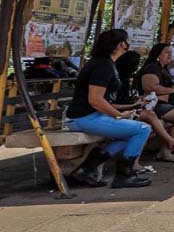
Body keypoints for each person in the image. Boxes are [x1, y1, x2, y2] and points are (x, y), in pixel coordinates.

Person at [63, 29, 152, 188]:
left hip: (90, 116)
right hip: (84, 117)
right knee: (143, 129)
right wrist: (118, 116)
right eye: (126, 41)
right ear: (120, 44)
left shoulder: (105, 63)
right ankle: (125, 175)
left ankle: (87, 169)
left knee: (128, 135)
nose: (128, 45)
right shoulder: (102, 66)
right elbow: (95, 99)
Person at [115, 50, 174, 173]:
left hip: (130, 109)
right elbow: (110, 103)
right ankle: (170, 141)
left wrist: (137, 102)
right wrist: (131, 106)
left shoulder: (127, 79)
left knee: (151, 120)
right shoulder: (118, 80)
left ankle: (168, 143)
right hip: (118, 112)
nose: (137, 68)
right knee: (145, 125)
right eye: (136, 65)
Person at [137, 43, 174, 162]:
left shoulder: (163, 68)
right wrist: (173, 90)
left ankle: (172, 146)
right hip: (152, 104)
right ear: (158, 55)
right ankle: (166, 150)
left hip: (165, 102)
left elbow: (172, 91)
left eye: (171, 53)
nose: (170, 55)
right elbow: (150, 87)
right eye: (166, 53)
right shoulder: (152, 68)